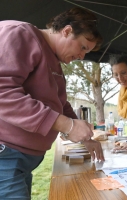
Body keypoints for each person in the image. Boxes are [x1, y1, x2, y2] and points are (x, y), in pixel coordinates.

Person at [0, 7, 105, 199]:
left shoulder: (53, 60)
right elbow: (3, 92)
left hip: (21, 161)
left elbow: (61, 104)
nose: (82, 56)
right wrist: (67, 125)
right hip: (5, 158)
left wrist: (85, 137)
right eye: (82, 47)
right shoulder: (20, 34)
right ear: (66, 31)